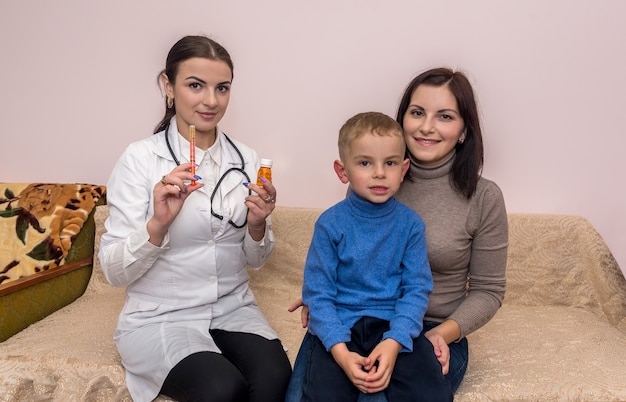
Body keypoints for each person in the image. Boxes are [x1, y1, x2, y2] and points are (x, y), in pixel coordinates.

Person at [286, 68, 508, 401]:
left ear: (464, 130)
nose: (427, 126)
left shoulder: (483, 197)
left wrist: (441, 336)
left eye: (444, 116)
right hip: (346, 323)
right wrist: (323, 302)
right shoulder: (371, 181)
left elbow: (488, 291)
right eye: (417, 112)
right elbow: (352, 255)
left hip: (424, 328)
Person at [98, 35, 292, 402]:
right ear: (167, 86)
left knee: (274, 379)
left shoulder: (247, 160)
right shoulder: (139, 160)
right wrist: (158, 226)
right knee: (221, 389)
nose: (211, 101)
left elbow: (258, 260)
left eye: (222, 88)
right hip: (161, 316)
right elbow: (112, 271)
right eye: (195, 85)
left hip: (232, 309)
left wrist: (257, 225)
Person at [300, 112, 453, 401]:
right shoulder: (330, 224)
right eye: (365, 163)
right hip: (341, 327)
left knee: (432, 393)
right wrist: (341, 353)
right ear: (342, 170)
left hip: (394, 322)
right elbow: (318, 294)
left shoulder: (411, 225)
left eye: (390, 163)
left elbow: (416, 290)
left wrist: (395, 341)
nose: (380, 173)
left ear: (404, 169)